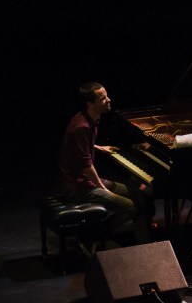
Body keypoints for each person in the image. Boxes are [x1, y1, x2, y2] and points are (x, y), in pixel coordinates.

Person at [59, 82, 151, 249]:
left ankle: (144, 243)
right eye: (103, 98)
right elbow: (86, 164)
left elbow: (80, 145)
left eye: (107, 96)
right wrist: (102, 188)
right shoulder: (82, 126)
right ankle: (93, 236)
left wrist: (100, 148)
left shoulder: (87, 118)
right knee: (131, 207)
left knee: (136, 192)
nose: (108, 100)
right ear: (90, 104)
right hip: (79, 188)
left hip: (85, 182)